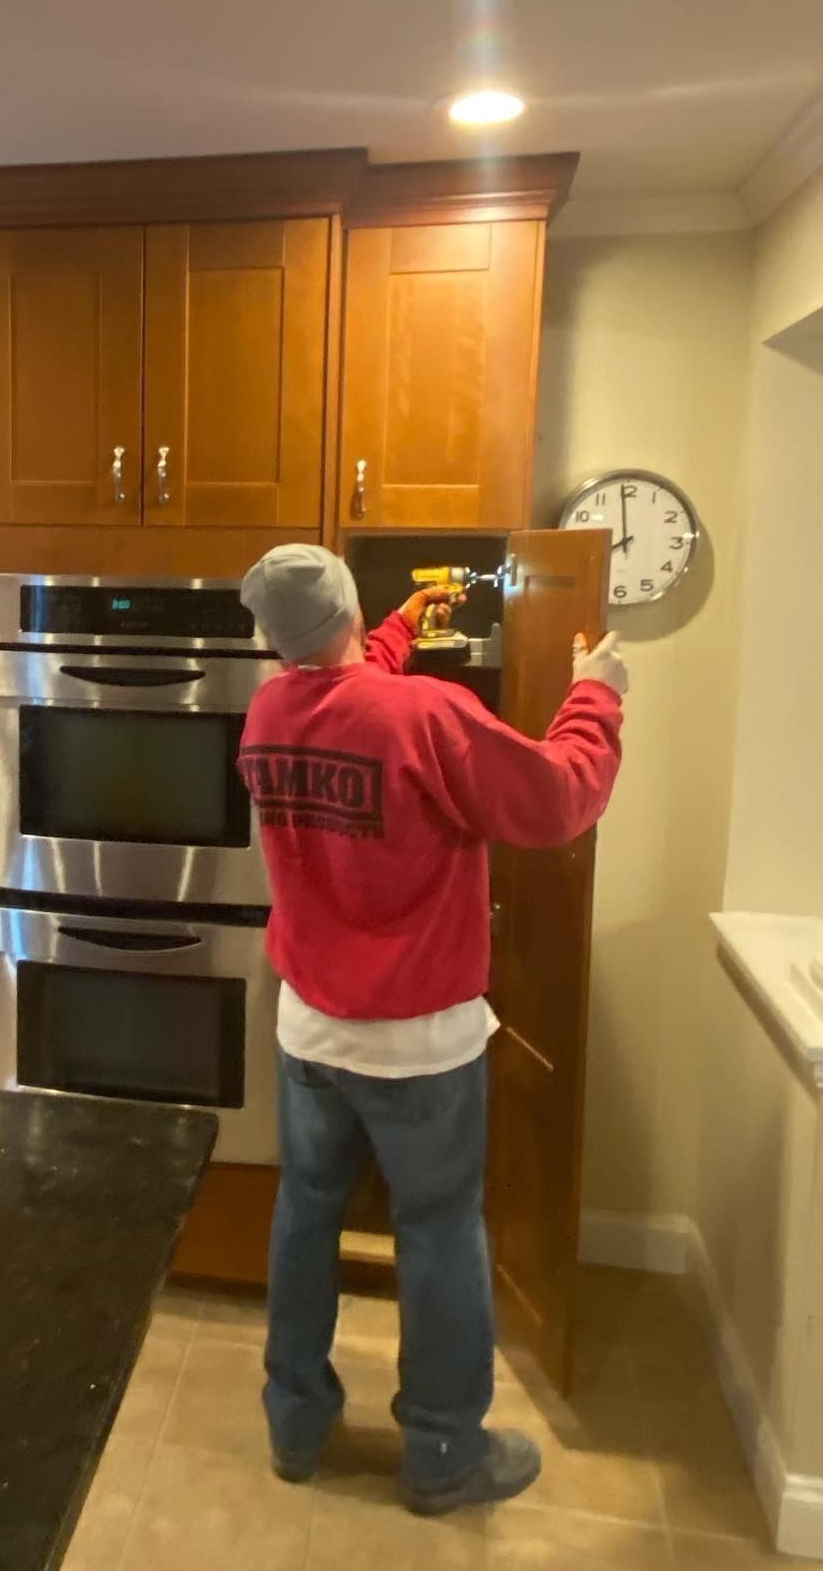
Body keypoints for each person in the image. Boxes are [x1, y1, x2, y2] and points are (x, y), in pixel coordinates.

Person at [237, 543, 627, 1515]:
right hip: (417, 1045)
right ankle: (445, 1452)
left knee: (305, 1216)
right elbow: (555, 794)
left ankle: (294, 1421)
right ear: (344, 609)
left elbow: (354, 684)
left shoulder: (267, 715)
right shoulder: (425, 715)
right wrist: (600, 694)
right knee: (440, 1231)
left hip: (311, 1034)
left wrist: (405, 618)